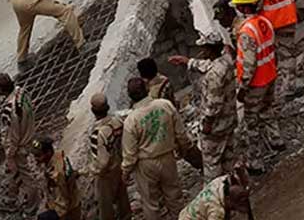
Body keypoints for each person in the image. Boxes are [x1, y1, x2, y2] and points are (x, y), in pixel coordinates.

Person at [230, 0, 283, 175]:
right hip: (270, 75)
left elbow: (249, 63)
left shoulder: (246, 32)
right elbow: (272, 48)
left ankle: (256, 161)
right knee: (268, 109)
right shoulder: (265, 22)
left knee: (251, 122)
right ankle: (276, 140)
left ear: (244, 8)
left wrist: (243, 87)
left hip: (256, 83)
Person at [169, 33, 237, 180]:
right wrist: (187, 61)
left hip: (216, 127)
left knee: (212, 164)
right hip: (229, 119)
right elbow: (208, 65)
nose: (202, 51)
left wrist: (207, 124)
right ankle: (233, 188)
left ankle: (215, 194)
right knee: (228, 159)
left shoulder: (214, 75)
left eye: (204, 48)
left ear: (210, 50)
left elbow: (214, 105)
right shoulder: (226, 60)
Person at [121, 76, 190, 220]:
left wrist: (125, 172)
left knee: (150, 204)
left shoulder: (131, 120)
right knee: (175, 197)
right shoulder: (165, 105)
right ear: (147, 89)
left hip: (146, 165)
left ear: (130, 96)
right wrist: (183, 148)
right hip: (167, 157)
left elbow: (130, 154)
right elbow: (181, 133)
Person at [250, 0, 300, 99]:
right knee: (288, 53)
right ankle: (287, 84)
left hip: (272, 23)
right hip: (289, 17)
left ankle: (287, 89)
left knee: (277, 57)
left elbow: (256, 2)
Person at [0, 73, 39, 212]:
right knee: (12, 172)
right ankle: (11, 199)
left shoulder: (9, 109)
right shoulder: (22, 92)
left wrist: (10, 153)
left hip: (19, 146)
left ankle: (32, 205)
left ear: (0, 89)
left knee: (25, 175)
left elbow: (11, 135)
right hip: (28, 136)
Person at [87, 93, 131, 220]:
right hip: (120, 165)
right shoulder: (117, 121)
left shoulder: (98, 132)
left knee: (106, 208)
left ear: (93, 110)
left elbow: (102, 162)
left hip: (106, 175)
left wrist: (92, 170)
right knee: (123, 200)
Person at [32, 136, 82, 220]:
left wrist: (58, 214)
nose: (35, 159)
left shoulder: (57, 173)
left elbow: (65, 196)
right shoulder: (57, 156)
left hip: (68, 210)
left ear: (48, 153)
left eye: (38, 156)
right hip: (69, 204)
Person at [178, 171, 250, 220]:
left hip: (186, 213)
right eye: (233, 206)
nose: (234, 209)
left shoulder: (220, 182)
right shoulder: (217, 211)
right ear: (227, 199)